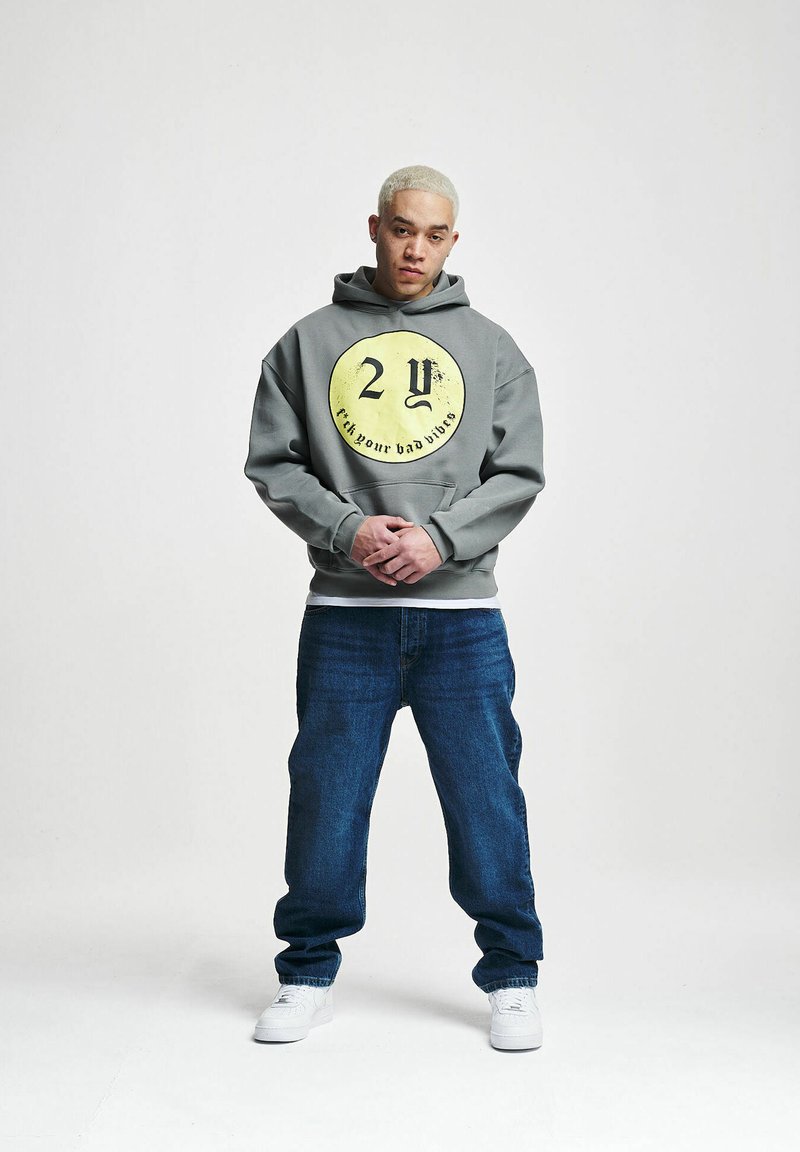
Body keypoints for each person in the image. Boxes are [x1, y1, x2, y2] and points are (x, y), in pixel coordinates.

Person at [244, 164, 546, 1050]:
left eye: (435, 234)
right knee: (327, 799)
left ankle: (513, 977)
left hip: (462, 622)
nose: (417, 249)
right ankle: (305, 974)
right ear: (375, 228)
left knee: (487, 802)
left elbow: (519, 472)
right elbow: (274, 462)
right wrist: (347, 529)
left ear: (454, 241)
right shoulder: (307, 343)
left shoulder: (493, 349)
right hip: (346, 615)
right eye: (403, 229)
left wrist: (440, 540)